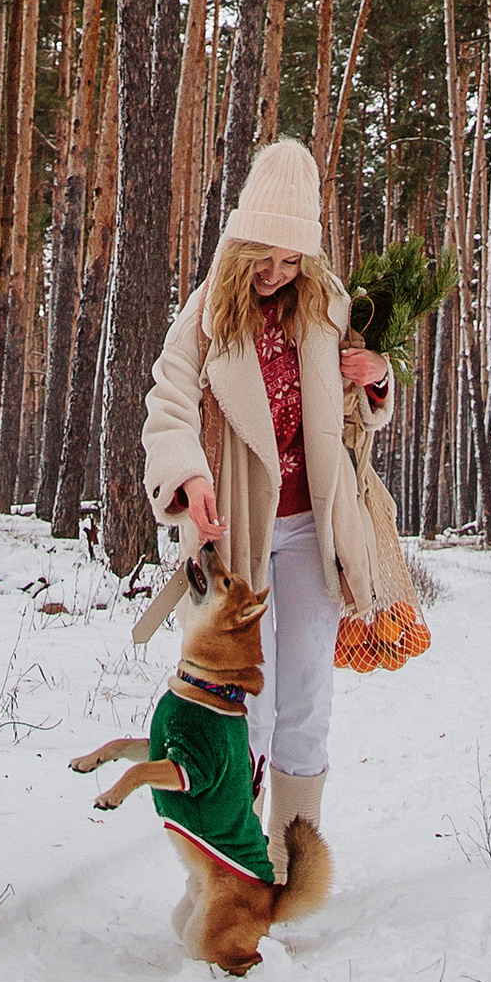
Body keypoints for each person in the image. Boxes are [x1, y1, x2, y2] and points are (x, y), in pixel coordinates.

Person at [142, 137, 394, 886]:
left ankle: (292, 865)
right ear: (242, 238)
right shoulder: (208, 313)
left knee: (307, 697)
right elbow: (169, 397)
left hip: (314, 530)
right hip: (238, 533)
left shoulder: (329, 304)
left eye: (291, 261)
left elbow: (366, 409)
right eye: (264, 257)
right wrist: (186, 479)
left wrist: (377, 378)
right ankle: (239, 860)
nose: (276, 274)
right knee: (243, 702)